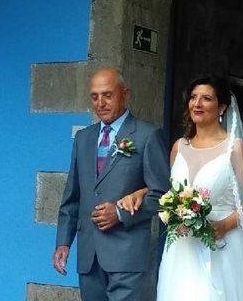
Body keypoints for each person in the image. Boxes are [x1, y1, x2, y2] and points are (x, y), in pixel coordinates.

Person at [118, 74, 243, 301]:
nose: (197, 104)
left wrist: (226, 224)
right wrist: (140, 192)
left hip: (222, 244)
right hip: (181, 248)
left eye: (206, 98)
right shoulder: (179, 147)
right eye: (193, 97)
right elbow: (169, 191)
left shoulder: (235, 148)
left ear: (221, 107)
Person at [52, 67, 171, 301]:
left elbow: (163, 194)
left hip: (126, 255)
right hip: (89, 256)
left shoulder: (148, 135)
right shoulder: (83, 138)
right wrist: (63, 243)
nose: (100, 103)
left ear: (125, 93)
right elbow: (73, 197)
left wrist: (120, 213)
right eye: (94, 96)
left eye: (108, 95)